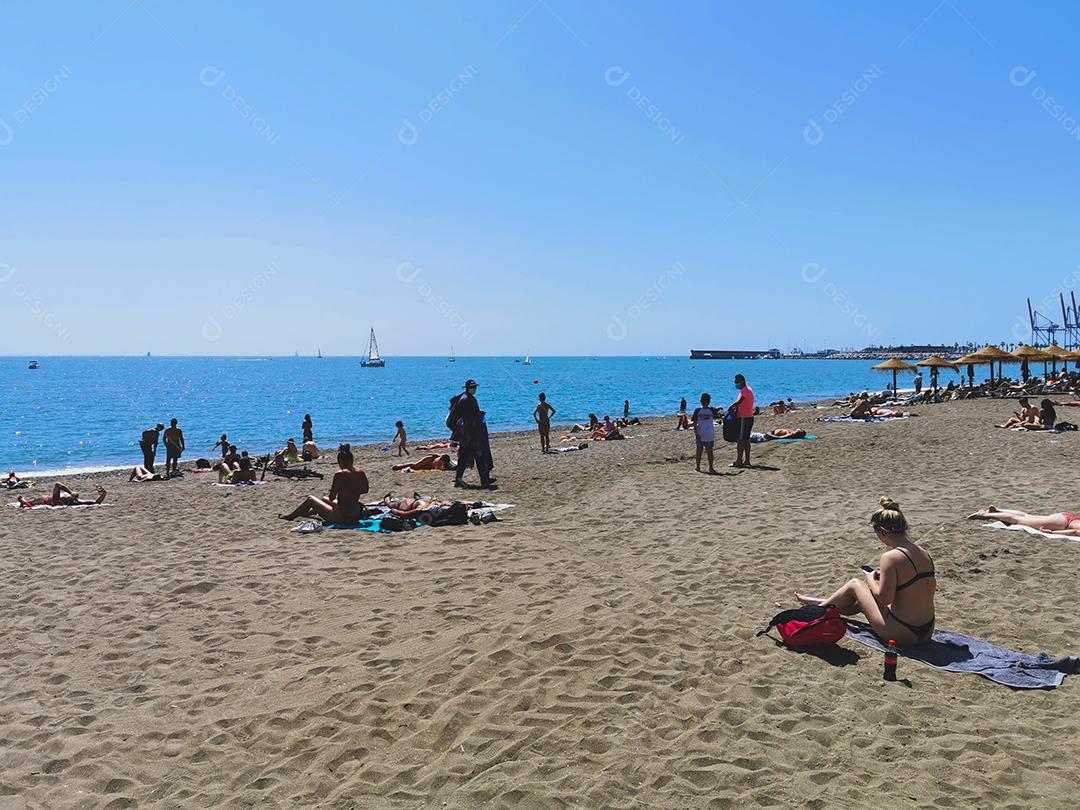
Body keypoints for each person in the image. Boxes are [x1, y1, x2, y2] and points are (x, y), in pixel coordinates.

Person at [795, 498, 936, 646]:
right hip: (926, 631)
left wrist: (868, 577)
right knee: (864, 596)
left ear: (882, 533)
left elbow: (884, 599)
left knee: (855, 585)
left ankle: (816, 611)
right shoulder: (923, 553)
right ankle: (822, 603)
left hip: (901, 633)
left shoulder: (890, 557)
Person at [279, 444, 369, 524]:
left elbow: (332, 497)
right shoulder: (360, 472)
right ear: (352, 459)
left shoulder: (340, 474)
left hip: (341, 516)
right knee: (323, 499)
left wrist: (340, 490)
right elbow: (365, 490)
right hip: (356, 514)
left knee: (310, 499)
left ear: (340, 461)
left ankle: (290, 517)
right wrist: (352, 492)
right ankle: (306, 513)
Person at [448, 379, 495, 489]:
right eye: (472, 387)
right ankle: (484, 482)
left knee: (463, 458)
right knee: (479, 457)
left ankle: (458, 479)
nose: (474, 389)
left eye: (475, 387)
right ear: (468, 388)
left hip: (466, 434)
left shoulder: (466, 398)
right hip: (470, 434)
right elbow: (469, 418)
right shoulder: (467, 400)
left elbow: (469, 416)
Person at [967, 505, 1080, 533]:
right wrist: (1053, 532)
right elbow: (1075, 532)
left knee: (1026, 516)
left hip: (1066, 516)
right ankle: (984, 515)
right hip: (1062, 523)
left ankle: (997, 511)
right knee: (1018, 520)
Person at [730, 374, 755, 468]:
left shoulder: (745, 391)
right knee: (746, 440)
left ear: (741, 381)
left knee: (741, 440)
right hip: (747, 417)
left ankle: (739, 461)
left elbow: (738, 403)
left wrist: (730, 407)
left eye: (736, 382)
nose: (736, 384)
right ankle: (746, 460)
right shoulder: (745, 390)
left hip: (745, 418)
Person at [19, 483, 107, 508]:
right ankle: (22, 501)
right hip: (45, 500)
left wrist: (104, 494)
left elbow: (96, 502)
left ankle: (22, 501)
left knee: (29, 503)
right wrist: (70, 492)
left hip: (47, 500)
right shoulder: (71, 500)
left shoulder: (57, 501)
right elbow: (57, 485)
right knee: (29, 503)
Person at [691, 393, 717, 473]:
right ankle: (710, 468)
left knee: (700, 451)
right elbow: (717, 415)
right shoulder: (711, 410)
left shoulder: (698, 410)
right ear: (709, 401)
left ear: (700, 401)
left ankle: (698, 467)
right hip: (708, 434)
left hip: (702, 434)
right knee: (709, 452)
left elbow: (694, 424)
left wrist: (696, 434)